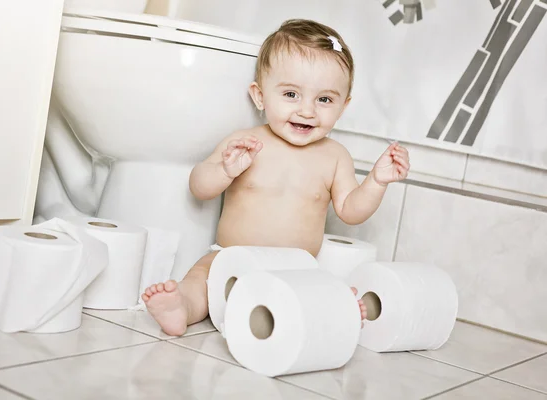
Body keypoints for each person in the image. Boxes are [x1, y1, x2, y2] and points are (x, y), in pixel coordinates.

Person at [142, 19, 410, 336]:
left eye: (324, 99)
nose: (307, 110)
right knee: (201, 277)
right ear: (260, 96)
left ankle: (335, 310)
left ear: (343, 106)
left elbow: (351, 211)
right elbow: (198, 187)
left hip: (295, 269)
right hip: (230, 258)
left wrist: (376, 182)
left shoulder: (335, 157)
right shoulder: (244, 142)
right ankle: (182, 306)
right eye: (291, 94)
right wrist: (224, 170)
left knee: (316, 289)